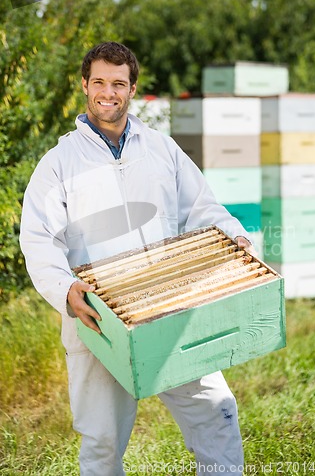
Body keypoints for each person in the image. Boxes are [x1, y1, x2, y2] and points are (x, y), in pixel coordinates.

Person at [20, 41, 255, 476]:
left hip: (170, 308)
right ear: (85, 85)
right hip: (98, 317)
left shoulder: (162, 149)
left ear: (132, 88)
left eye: (118, 84)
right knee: (102, 445)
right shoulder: (58, 164)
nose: (108, 93)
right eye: (99, 83)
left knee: (217, 414)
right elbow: (38, 240)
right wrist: (65, 289)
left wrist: (235, 239)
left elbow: (203, 209)